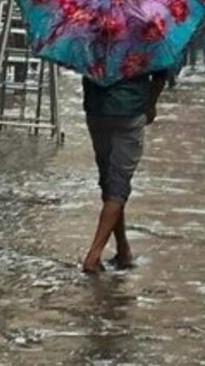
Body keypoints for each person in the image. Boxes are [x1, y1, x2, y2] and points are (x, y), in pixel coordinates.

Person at [81, 72, 167, 273]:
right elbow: (161, 73)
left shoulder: (92, 39)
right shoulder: (144, 39)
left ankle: (123, 250)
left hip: (96, 111)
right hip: (130, 111)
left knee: (110, 183)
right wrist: (151, 103)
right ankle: (93, 257)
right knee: (118, 187)